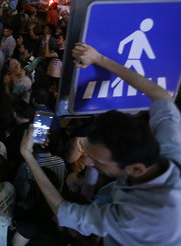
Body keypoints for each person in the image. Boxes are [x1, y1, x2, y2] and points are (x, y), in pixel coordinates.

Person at [20, 42, 181, 246]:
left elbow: (64, 212)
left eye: (97, 161)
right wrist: (99, 59)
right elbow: (161, 96)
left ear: (136, 169)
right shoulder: (171, 145)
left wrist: (28, 155)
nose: (86, 162)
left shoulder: (142, 216)